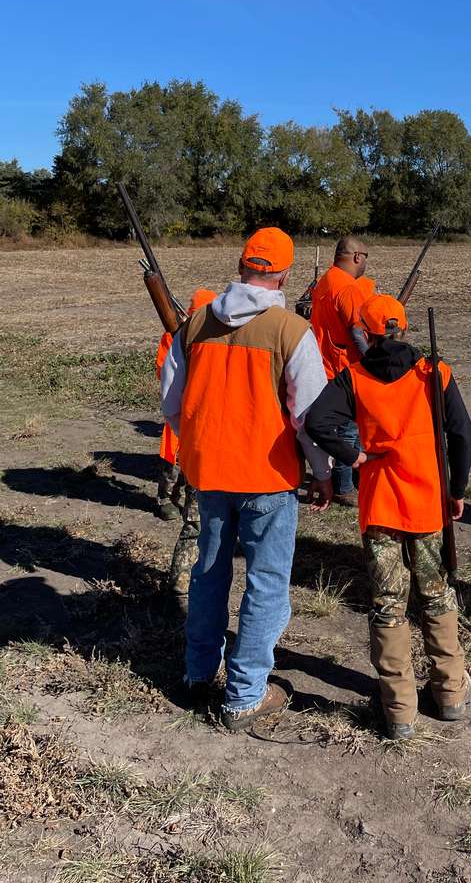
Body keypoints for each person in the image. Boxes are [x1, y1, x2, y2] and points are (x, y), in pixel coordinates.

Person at [160, 227, 332, 730]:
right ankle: (244, 695)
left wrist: (198, 448)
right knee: (266, 583)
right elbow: (309, 417)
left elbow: (173, 405)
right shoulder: (291, 330)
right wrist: (321, 472)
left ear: (241, 264)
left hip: (209, 476)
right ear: (283, 272)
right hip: (268, 479)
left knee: (208, 574)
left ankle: (196, 677)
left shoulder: (193, 325)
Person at [305, 294, 471, 741]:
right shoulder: (432, 372)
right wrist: (456, 490)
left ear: (366, 331)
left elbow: (317, 422)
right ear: (403, 328)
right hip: (429, 504)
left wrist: (353, 454)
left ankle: (399, 709)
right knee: (437, 597)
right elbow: (461, 432)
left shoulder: (354, 378)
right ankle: (451, 694)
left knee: (387, 605)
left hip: (380, 505)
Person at [153, 288, 217, 609]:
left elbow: (170, 396)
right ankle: (184, 586)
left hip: (198, 443)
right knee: (201, 523)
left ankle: (183, 585)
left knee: (197, 523)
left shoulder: (186, 339)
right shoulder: (218, 344)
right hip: (206, 445)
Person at [310, 235, 377, 506]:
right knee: (348, 430)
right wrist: (374, 360)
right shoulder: (348, 288)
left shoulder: (325, 280)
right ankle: (344, 487)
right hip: (345, 367)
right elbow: (357, 332)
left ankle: (346, 479)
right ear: (357, 257)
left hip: (324, 365)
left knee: (341, 428)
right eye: (366, 259)